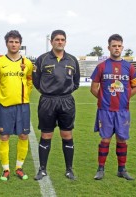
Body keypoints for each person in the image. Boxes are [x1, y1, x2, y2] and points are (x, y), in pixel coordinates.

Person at [32, 30, 80, 180]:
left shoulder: (72, 60)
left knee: (67, 135)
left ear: (65, 41)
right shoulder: (42, 59)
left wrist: (63, 93)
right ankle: (42, 169)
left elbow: (76, 83)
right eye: (57, 39)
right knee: (46, 135)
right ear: (51, 41)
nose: (60, 42)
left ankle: (69, 169)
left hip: (66, 101)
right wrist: (48, 93)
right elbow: (36, 81)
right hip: (47, 101)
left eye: (62, 39)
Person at [90, 34, 136, 180]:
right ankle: (100, 169)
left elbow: (135, 87)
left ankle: (121, 170)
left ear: (122, 47)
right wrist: (104, 99)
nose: (116, 48)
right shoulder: (101, 67)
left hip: (123, 111)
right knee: (105, 139)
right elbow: (93, 88)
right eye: (114, 46)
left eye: (119, 46)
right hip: (106, 110)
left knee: (122, 140)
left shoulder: (129, 67)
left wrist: (124, 98)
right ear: (109, 47)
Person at [0, 30, 33, 181]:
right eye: (11, 41)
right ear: (6, 43)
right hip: (5, 106)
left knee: (23, 135)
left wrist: (25, 95)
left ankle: (19, 167)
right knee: (4, 136)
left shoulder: (26, 63)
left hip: (23, 105)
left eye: (16, 42)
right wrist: (2, 98)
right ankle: (6, 169)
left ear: (20, 44)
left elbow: (29, 81)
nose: (14, 44)